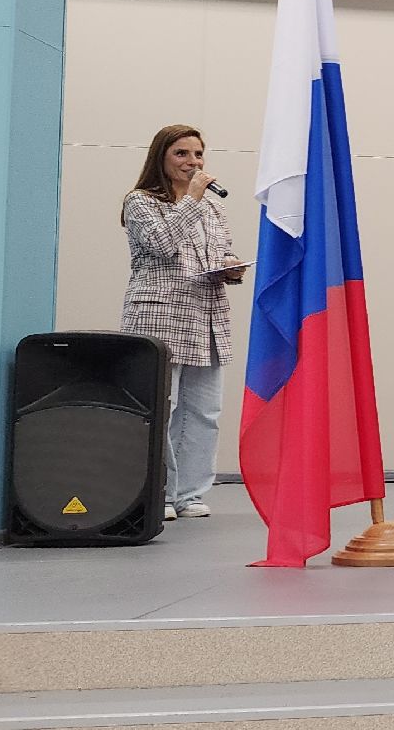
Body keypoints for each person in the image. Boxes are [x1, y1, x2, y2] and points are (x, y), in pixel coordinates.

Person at [121, 124, 244, 522]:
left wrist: (229, 266)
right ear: (161, 157)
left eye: (198, 154)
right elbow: (162, 244)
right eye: (182, 154)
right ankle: (159, 493)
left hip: (206, 317)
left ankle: (189, 495)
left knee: (204, 411)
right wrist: (191, 198)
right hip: (160, 315)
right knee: (161, 407)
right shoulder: (141, 201)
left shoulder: (212, 208)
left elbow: (221, 250)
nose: (193, 162)